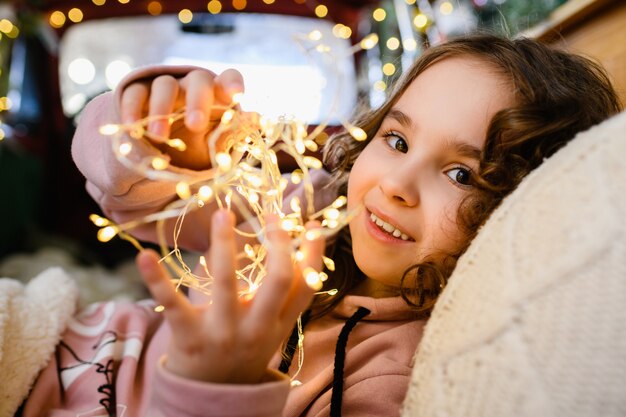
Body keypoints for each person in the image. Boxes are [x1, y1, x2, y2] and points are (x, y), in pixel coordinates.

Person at [20, 34, 621, 417]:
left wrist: (219, 387)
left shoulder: (396, 375)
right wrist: (158, 138)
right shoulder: (305, 209)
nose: (394, 183)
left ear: (518, 213)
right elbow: (128, 199)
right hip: (40, 342)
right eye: (396, 138)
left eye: (462, 174)